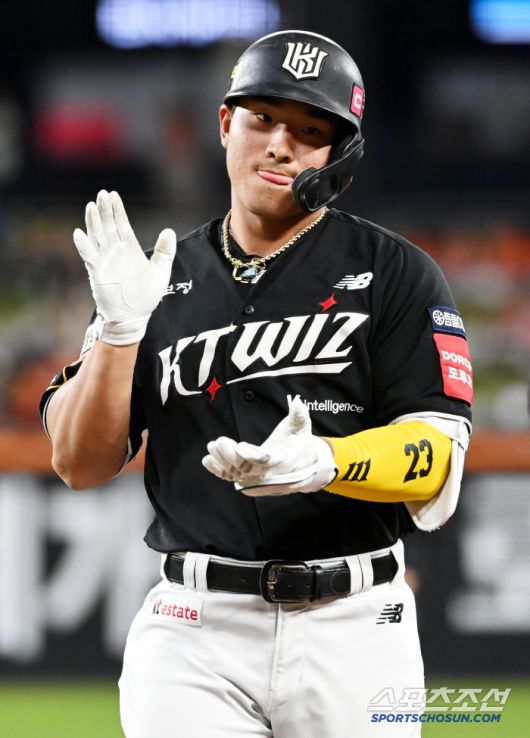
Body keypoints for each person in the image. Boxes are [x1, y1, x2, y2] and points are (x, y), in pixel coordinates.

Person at [40, 30, 473, 738]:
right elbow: (79, 462)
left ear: (339, 158)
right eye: (263, 118)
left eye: (310, 132)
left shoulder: (397, 273)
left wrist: (328, 461)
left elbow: (435, 457)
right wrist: (118, 331)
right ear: (225, 123)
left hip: (357, 622)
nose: (280, 145)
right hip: (193, 627)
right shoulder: (150, 279)